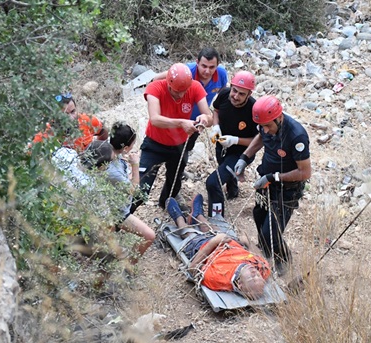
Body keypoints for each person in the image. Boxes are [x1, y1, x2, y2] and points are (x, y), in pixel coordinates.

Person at [233, 95, 312, 275]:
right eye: (263, 126)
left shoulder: (296, 136)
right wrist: (245, 158)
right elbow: (260, 137)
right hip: (265, 182)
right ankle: (268, 253)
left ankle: (283, 261)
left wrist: (274, 177)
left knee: (272, 231)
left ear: (279, 117)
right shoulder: (265, 126)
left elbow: (305, 172)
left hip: (287, 190)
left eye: (269, 125)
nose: (266, 130)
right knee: (259, 215)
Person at [130, 63, 212, 212]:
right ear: (168, 83)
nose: (180, 95)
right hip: (155, 145)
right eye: (176, 91)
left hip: (179, 146)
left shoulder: (195, 87)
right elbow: (155, 119)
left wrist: (204, 118)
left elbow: (209, 116)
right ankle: (120, 218)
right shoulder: (155, 88)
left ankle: (166, 203)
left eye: (184, 91)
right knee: (141, 191)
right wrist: (181, 122)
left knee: (174, 182)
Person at [165, 194, 271, 300]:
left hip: (204, 247)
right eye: (258, 276)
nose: (255, 272)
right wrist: (248, 243)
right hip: (228, 242)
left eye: (251, 277)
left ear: (239, 284)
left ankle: (178, 218)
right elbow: (259, 256)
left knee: (189, 234)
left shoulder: (218, 278)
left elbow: (193, 268)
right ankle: (198, 215)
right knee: (211, 228)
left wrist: (213, 242)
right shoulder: (262, 269)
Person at [205, 71, 259, 217]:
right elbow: (216, 110)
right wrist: (216, 127)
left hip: (241, 152)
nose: (235, 96)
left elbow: (257, 141)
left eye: (241, 94)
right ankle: (233, 189)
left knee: (213, 182)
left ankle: (217, 218)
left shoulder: (254, 109)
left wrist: (235, 140)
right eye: (234, 90)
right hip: (222, 145)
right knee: (223, 167)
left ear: (249, 94)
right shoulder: (224, 94)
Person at [105, 121, 155, 263]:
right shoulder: (113, 171)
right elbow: (133, 190)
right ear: (125, 148)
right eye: (132, 145)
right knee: (149, 235)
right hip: (117, 212)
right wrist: (135, 165)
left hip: (115, 204)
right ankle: (128, 266)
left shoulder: (111, 152)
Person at [32, 93, 108, 151]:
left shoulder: (86, 120)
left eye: (73, 111)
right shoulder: (44, 135)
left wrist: (98, 151)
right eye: (65, 115)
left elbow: (104, 131)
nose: (71, 118)